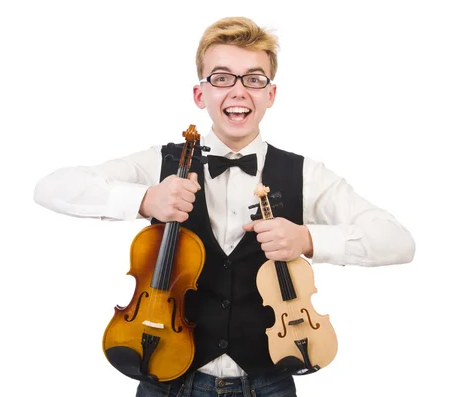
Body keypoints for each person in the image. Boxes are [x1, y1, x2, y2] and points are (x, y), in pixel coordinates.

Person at [34, 16, 415, 397]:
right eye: (221, 77)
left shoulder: (307, 175)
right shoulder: (160, 163)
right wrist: (145, 199)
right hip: (167, 375)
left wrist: (309, 238)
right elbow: (51, 188)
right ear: (201, 95)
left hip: (269, 383)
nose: (238, 91)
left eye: (253, 78)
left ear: (271, 94)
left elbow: (398, 241)